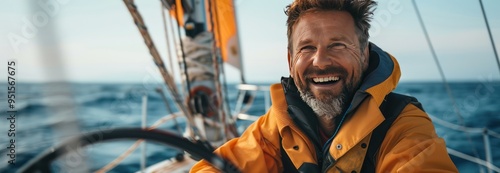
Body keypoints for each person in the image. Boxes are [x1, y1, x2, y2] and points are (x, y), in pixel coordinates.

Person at [191, 0, 458, 172]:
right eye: (306, 48)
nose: (320, 61)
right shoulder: (279, 123)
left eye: (338, 45)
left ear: (365, 54)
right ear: (289, 59)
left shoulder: (403, 124)